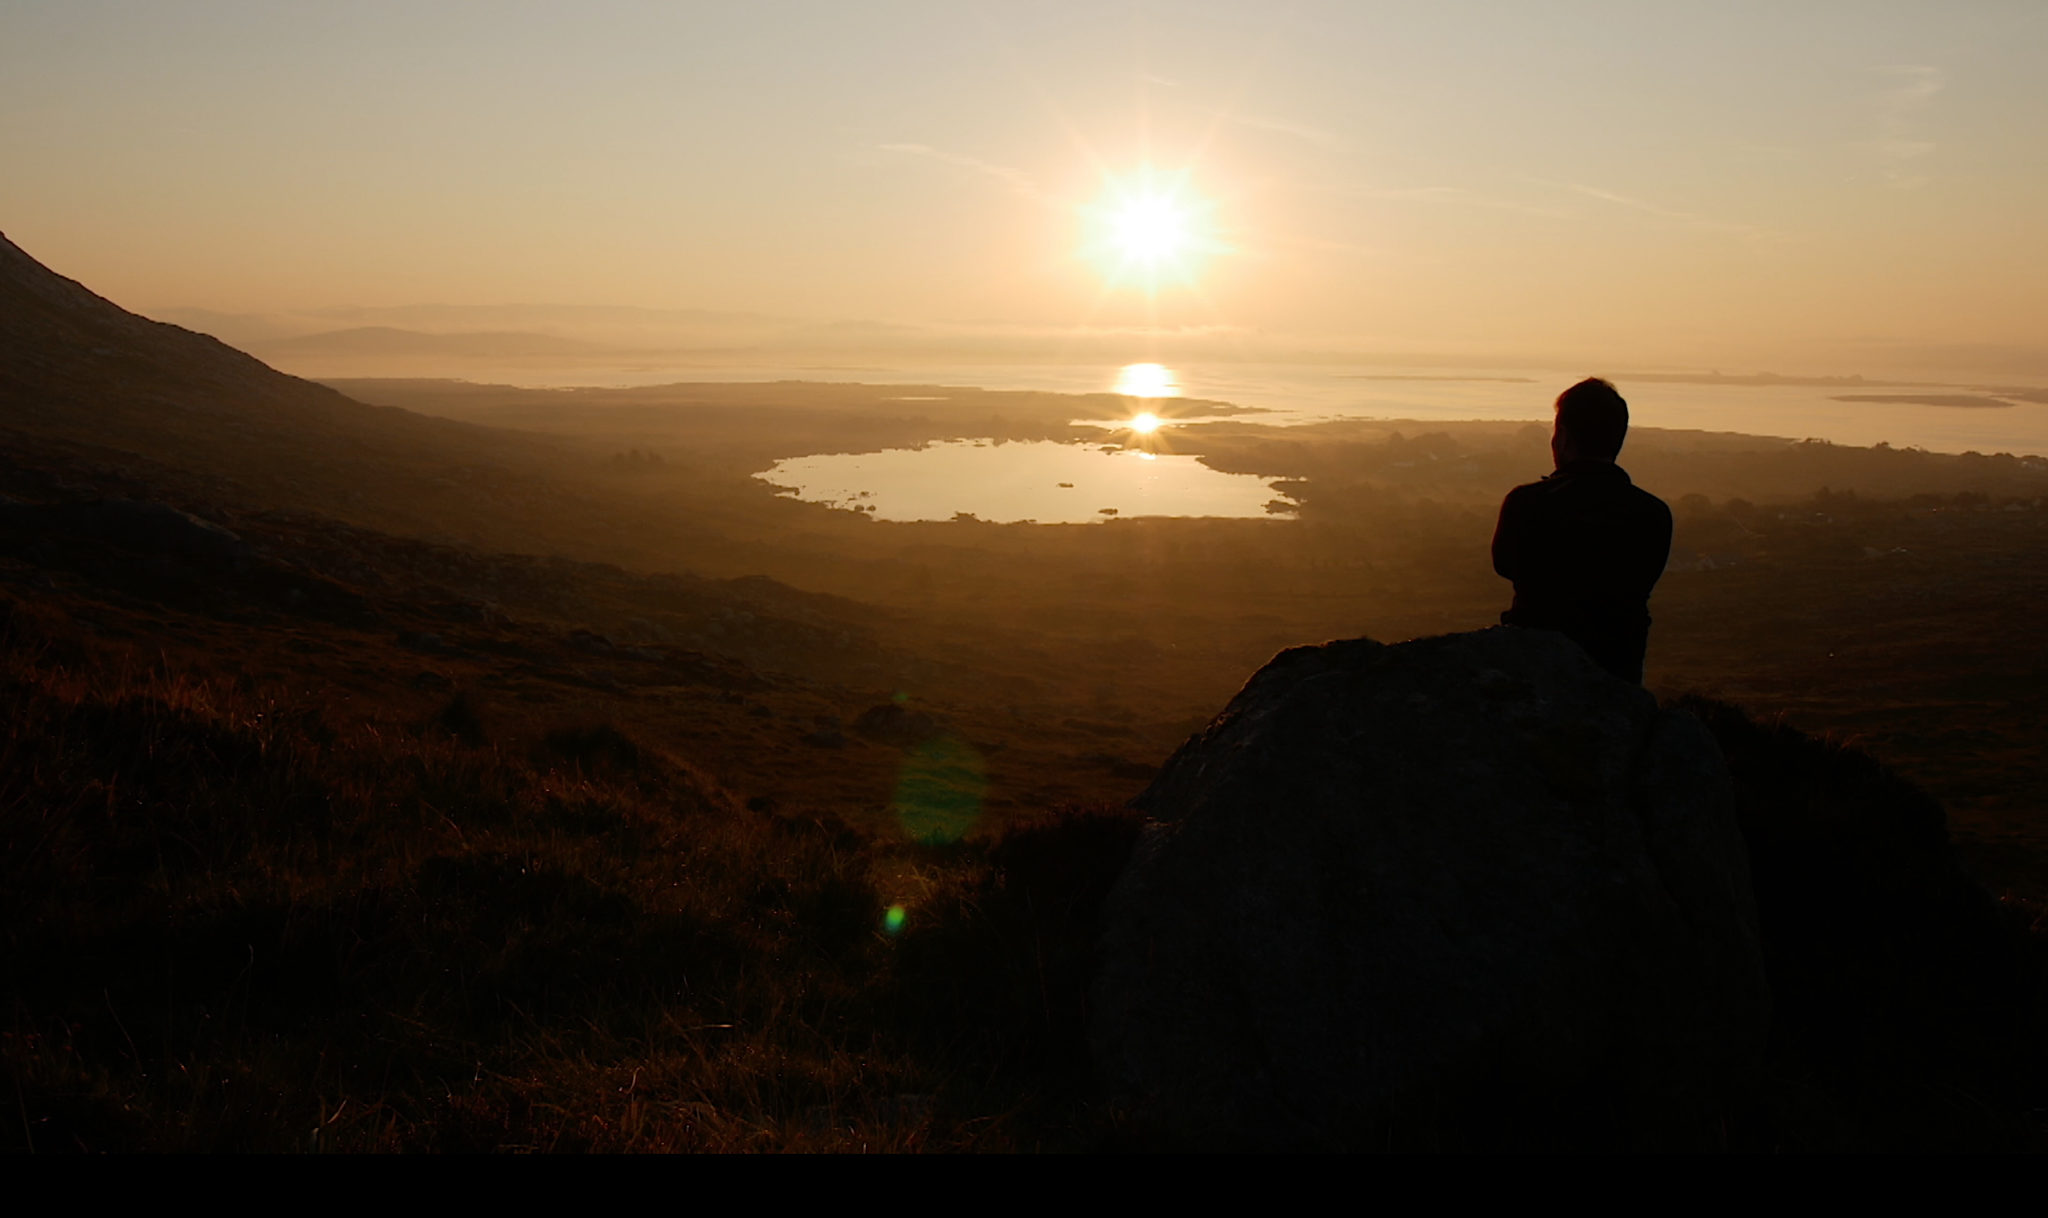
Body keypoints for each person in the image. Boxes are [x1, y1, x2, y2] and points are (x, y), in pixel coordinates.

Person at [1491, 378, 1672, 684]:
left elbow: (1504, 565)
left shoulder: (1527, 503)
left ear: (1562, 438)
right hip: (1616, 673)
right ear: (1618, 439)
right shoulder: (1652, 514)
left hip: (1533, 672)